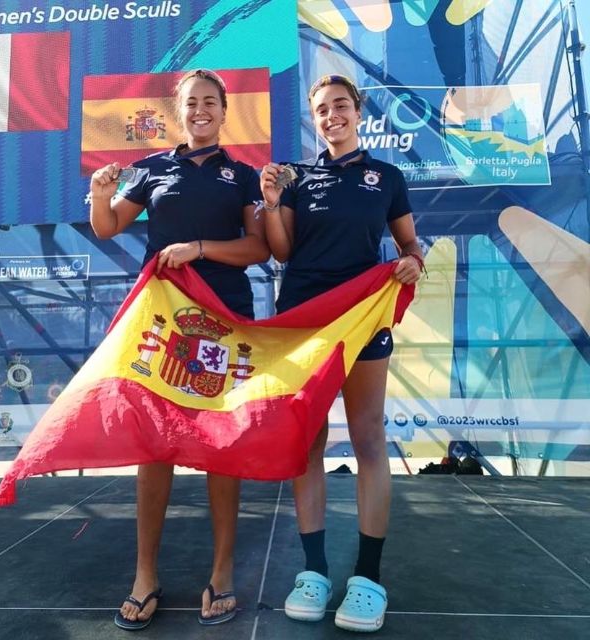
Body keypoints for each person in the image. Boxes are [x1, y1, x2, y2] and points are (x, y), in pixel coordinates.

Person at [90, 69, 269, 630]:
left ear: (224, 111)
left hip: (224, 323)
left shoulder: (243, 176)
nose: (200, 111)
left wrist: (199, 249)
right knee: (154, 445)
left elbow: (259, 248)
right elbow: (107, 226)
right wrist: (100, 194)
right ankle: (145, 575)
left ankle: (222, 572)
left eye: (211, 103)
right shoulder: (150, 170)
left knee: (222, 444)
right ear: (178, 110)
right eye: (191, 103)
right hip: (163, 324)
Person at [260, 74, 423, 633]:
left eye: (340, 107)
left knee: (369, 439)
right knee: (306, 441)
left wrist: (412, 263)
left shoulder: (388, 177)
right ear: (315, 120)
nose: (332, 116)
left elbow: (410, 246)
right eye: (322, 110)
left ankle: (369, 579)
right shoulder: (297, 179)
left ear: (359, 112)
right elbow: (281, 250)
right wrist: (274, 203)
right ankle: (313, 572)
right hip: (304, 321)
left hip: (363, 319)